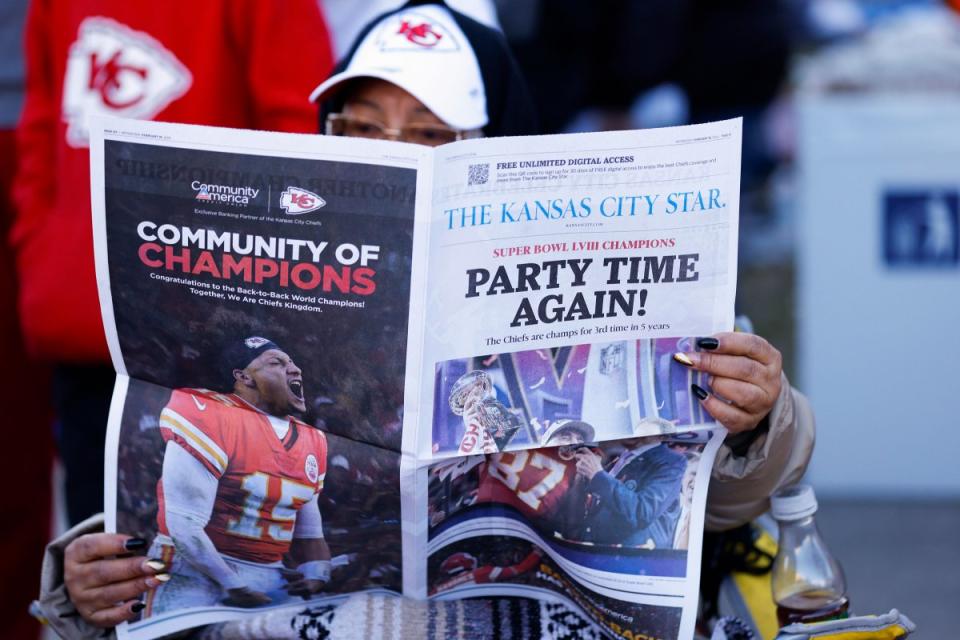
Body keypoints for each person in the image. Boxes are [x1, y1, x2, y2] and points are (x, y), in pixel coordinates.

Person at [40, 2, 813, 637]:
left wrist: (757, 416)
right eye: (363, 128)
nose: (393, 154)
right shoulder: (242, 313)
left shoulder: (599, 263)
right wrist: (89, 570)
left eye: (432, 134)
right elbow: (162, 510)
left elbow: (718, 499)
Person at [12, 0, 335, 529]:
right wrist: (42, 254)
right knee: (95, 555)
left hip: (200, 347)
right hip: (80, 328)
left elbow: (300, 150)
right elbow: (41, 130)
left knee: (203, 557)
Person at [143, 337, 331, 617]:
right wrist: (233, 584)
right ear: (244, 377)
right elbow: (184, 526)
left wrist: (317, 574)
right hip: (194, 568)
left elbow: (311, 534)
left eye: (292, 362)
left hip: (270, 573)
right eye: (277, 362)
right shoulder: (210, 413)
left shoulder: (313, 439)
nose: (294, 369)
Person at [573, 436, 687, 549]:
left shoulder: (672, 461)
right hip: (598, 550)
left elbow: (643, 512)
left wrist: (598, 476)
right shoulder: (623, 457)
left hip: (633, 558)